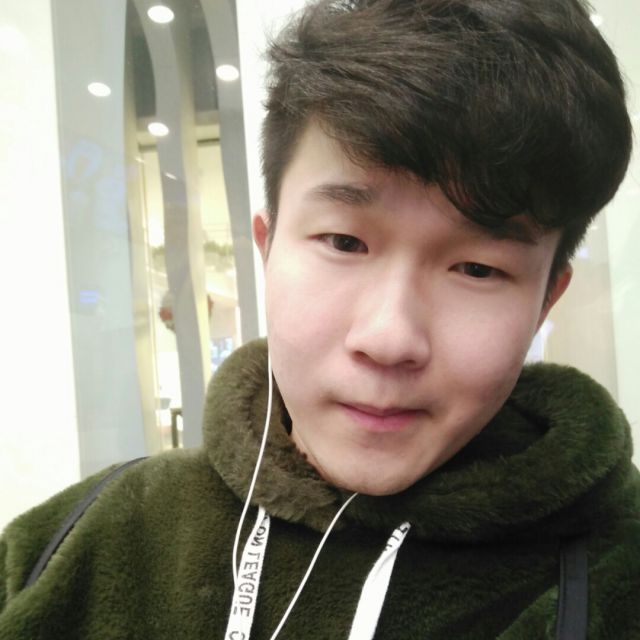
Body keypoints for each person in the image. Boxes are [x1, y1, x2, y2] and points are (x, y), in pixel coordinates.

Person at [1, 0, 638, 638]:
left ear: (546, 300)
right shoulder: (81, 542)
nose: (388, 339)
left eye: (476, 269)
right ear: (267, 247)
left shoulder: (615, 575)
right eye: (344, 242)